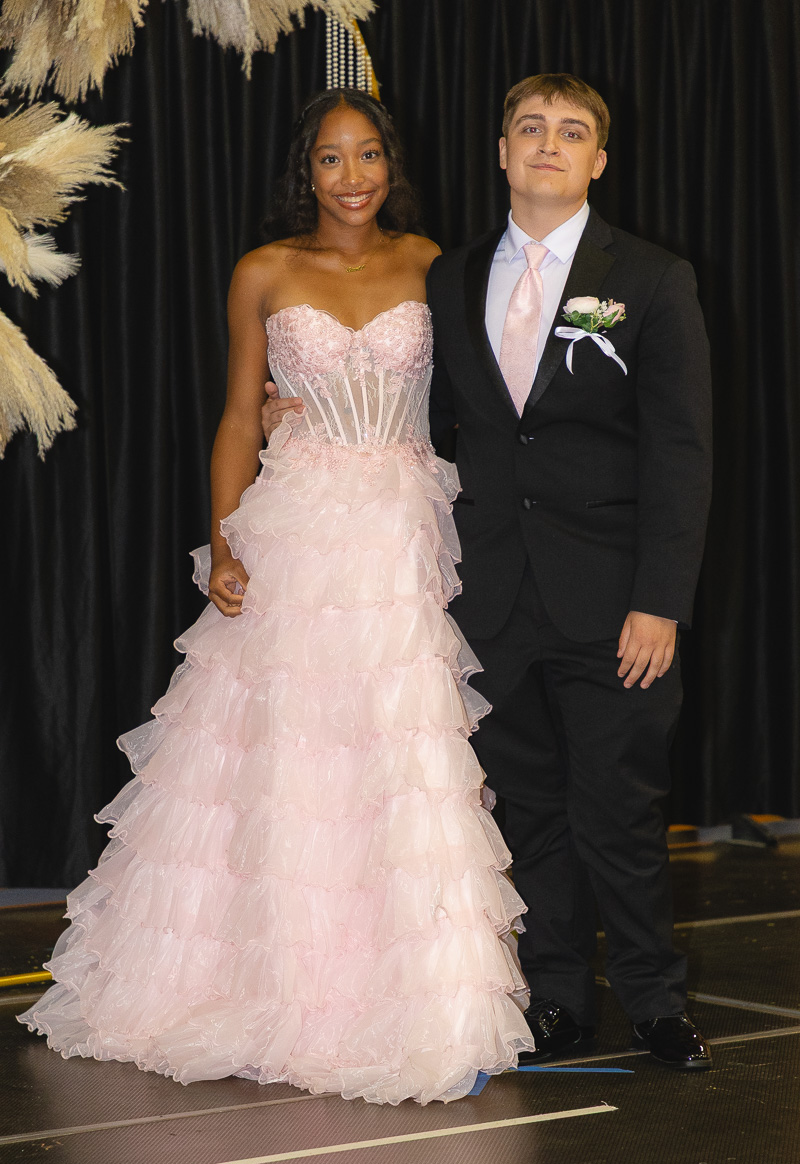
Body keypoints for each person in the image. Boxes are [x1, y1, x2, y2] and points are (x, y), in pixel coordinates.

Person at [19, 88, 534, 1105]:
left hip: (397, 530)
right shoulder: (264, 270)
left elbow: (480, 398)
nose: (352, 176)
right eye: (331, 159)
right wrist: (222, 539)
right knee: (284, 747)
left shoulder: (435, 263)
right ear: (305, 171)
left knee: (393, 747)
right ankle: (263, 984)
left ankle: (408, 1001)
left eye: (368, 155)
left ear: (393, 164)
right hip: (294, 525)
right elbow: (233, 416)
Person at [265, 73, 715, 1073]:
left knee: (619, 808)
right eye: (528, 128)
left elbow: (679, 454)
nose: (546, 145)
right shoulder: (451, 277)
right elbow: (425, 424)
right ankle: (555, 999)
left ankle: (650, 1002)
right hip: (488, 598)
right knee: (528, 812)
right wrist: (293, 415)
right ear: (501, 152)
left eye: (569, 132)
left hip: (612, 606)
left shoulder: (647, 278)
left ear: (597, 157)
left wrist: (658, 602)